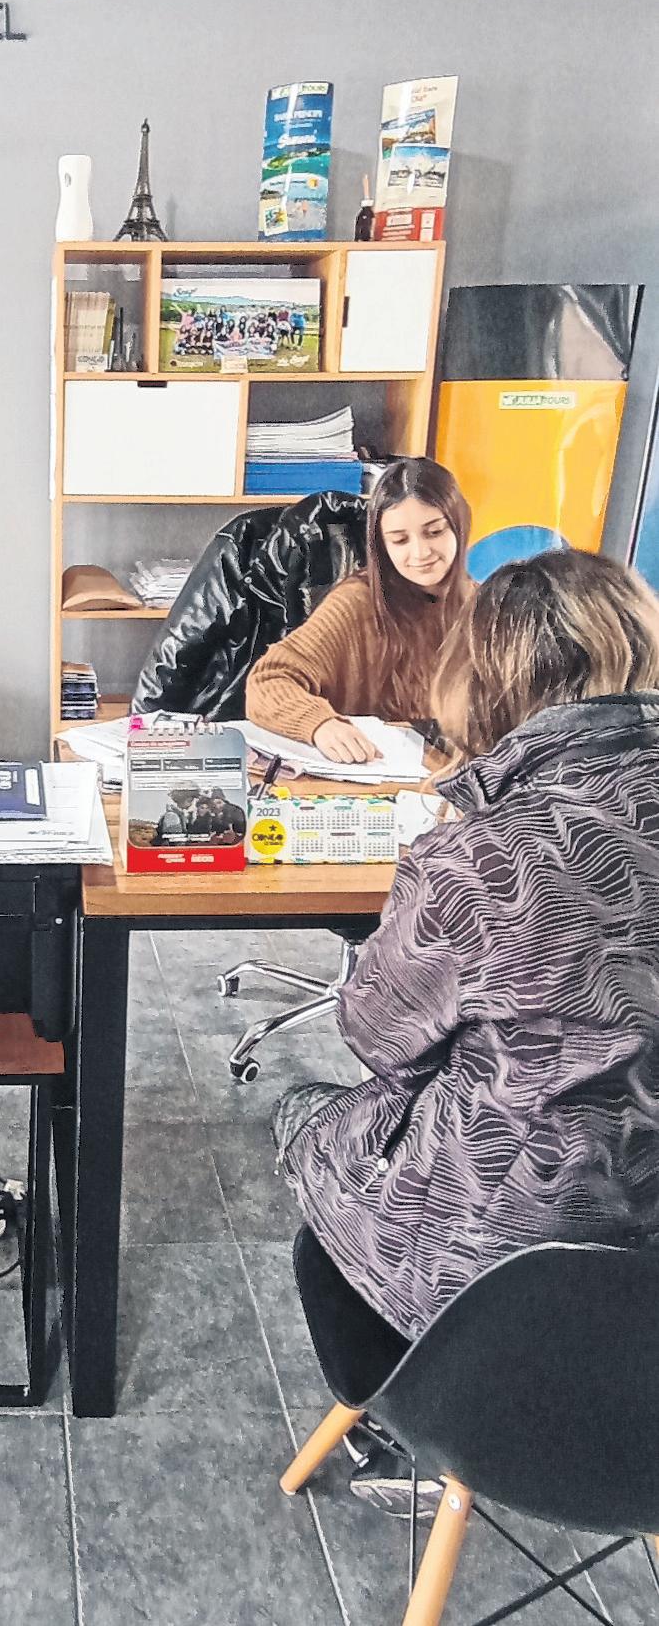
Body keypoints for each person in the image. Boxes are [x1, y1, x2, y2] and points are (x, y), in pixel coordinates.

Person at [273, 551, 659, 1500]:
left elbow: (374, 1030)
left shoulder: (483, 857)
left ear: (483, 680)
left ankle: (400, 1421)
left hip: (493, 1320)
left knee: (304, 1115)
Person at [245, 456, 473, 763]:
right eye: (400, 540)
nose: (420, 552)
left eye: (434, 532)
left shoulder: (485, 606)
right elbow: (268, 681)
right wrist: (320, 724)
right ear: (381, 546)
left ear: (459, 525)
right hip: (369, 776)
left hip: (454, 775)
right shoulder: (356, 603)